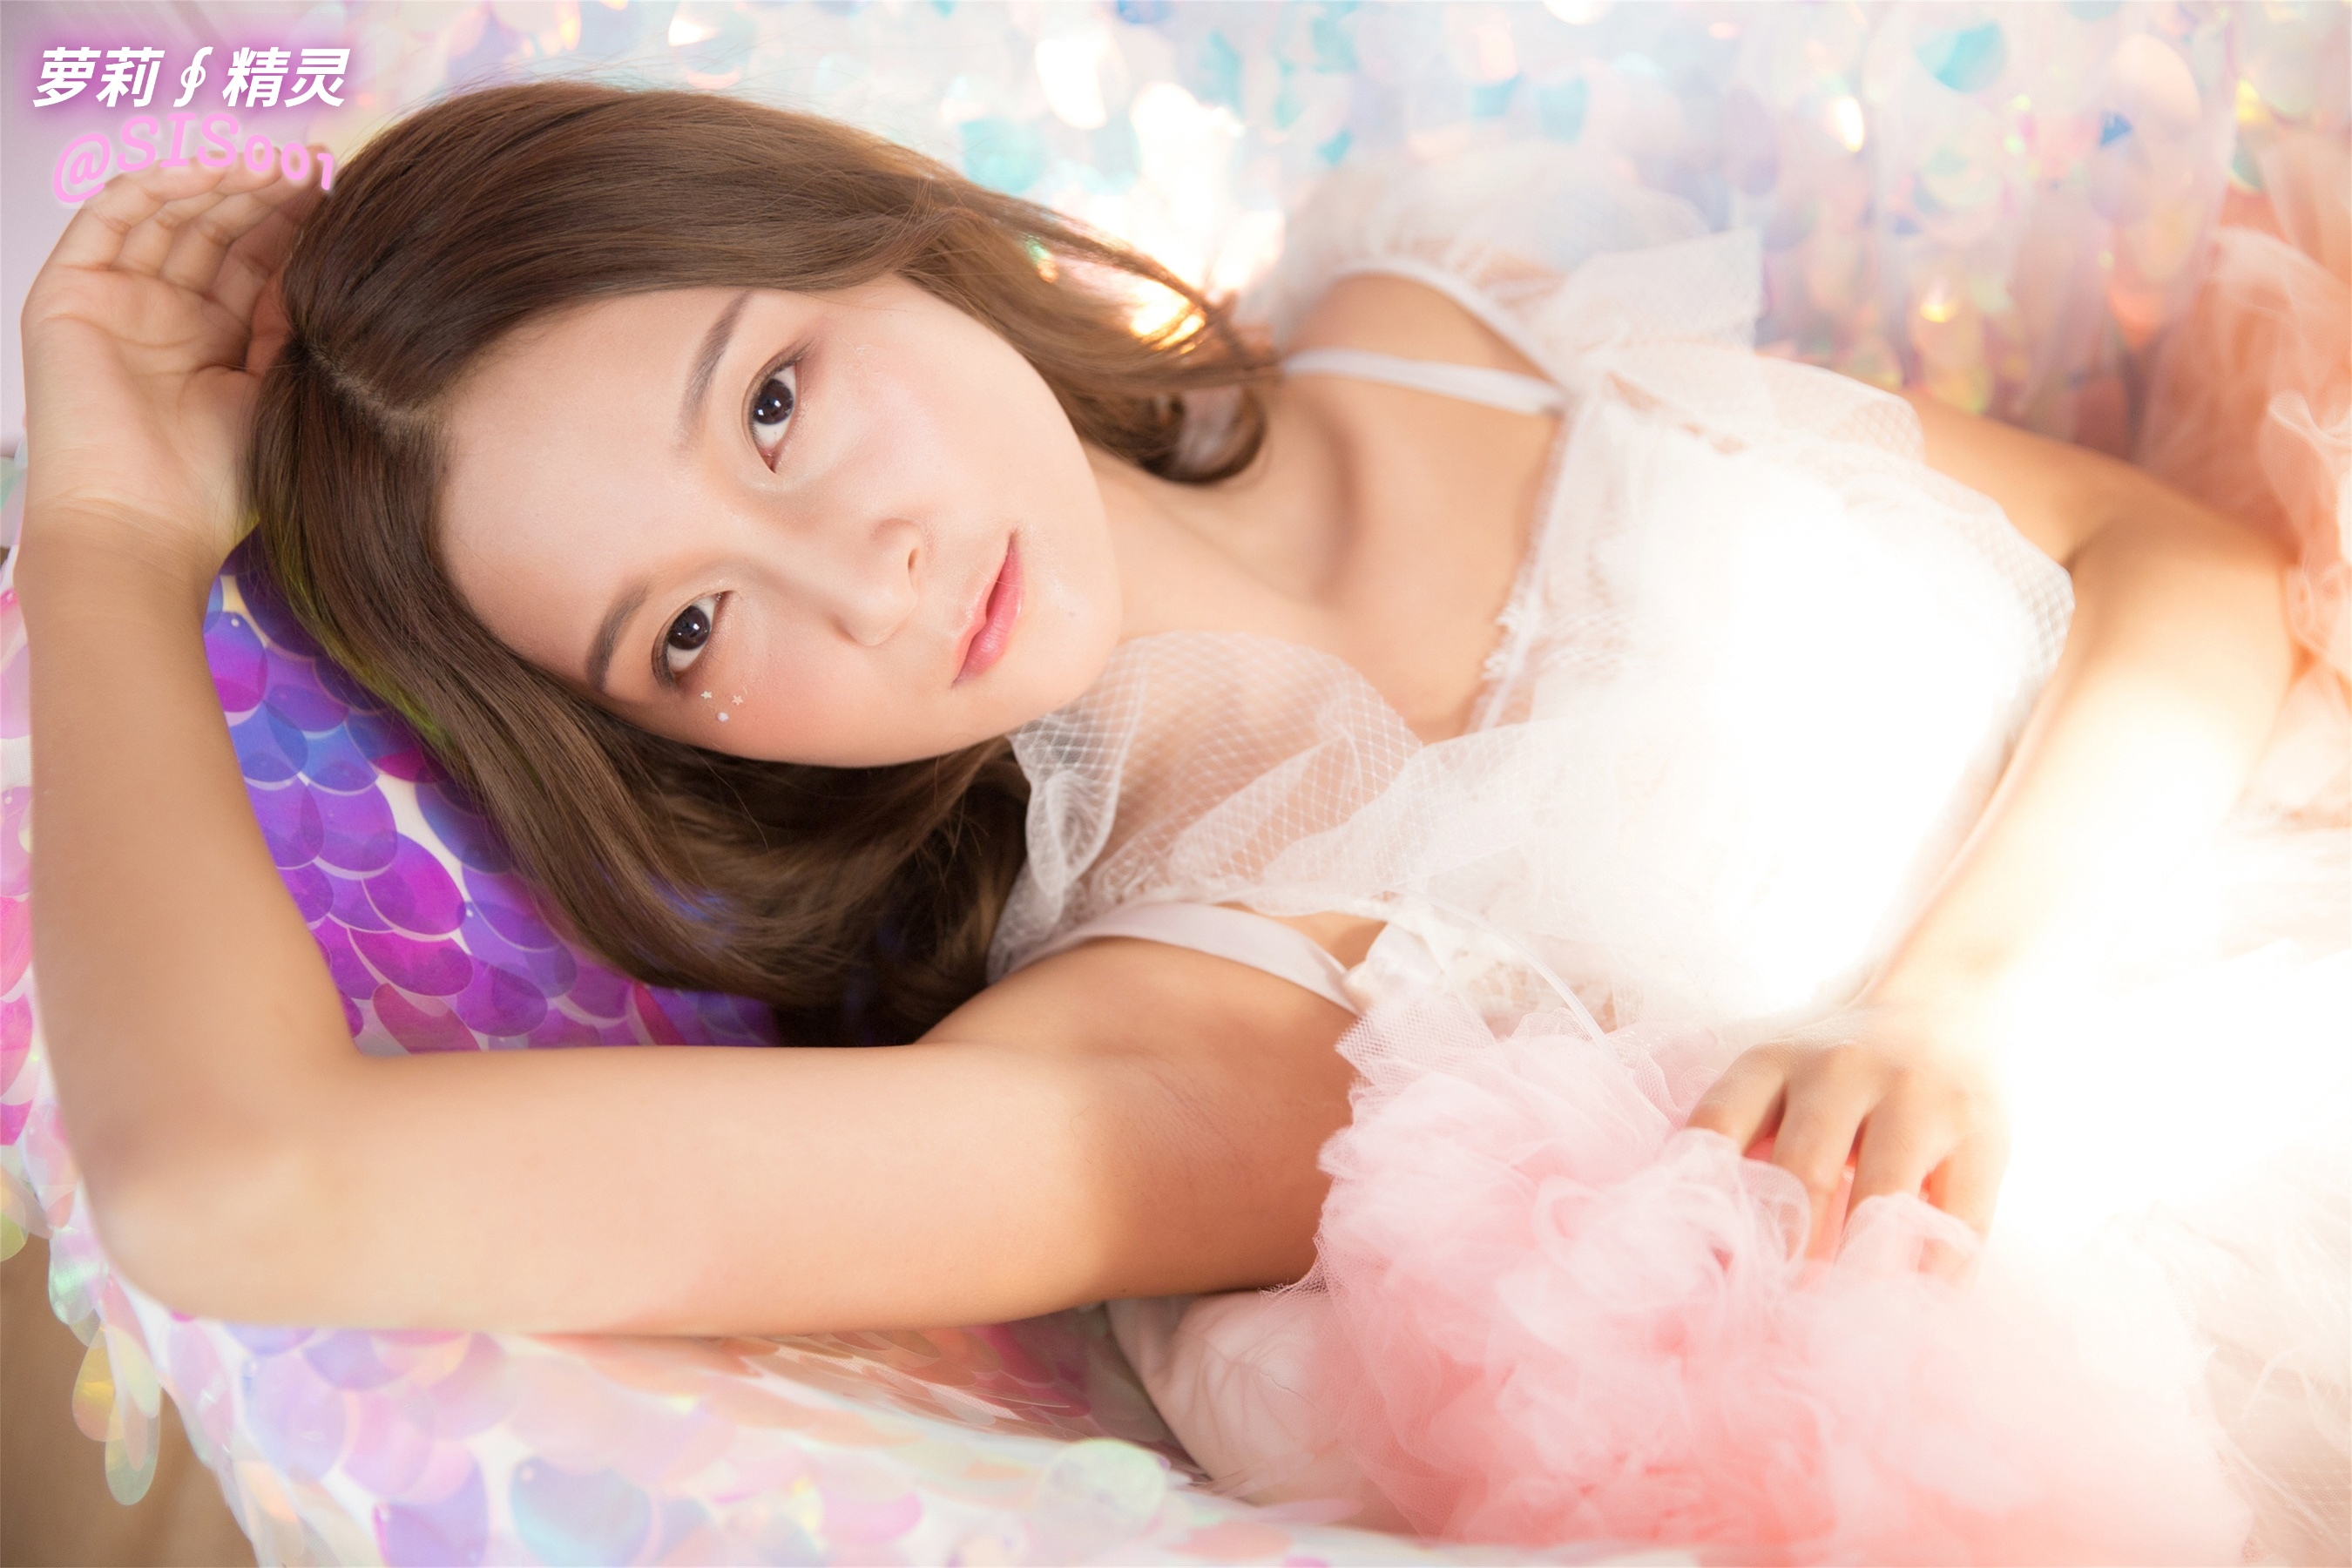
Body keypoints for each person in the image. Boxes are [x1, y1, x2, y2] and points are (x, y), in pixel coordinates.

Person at [14, 82, 2342, 1560]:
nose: (864, 579)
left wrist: (1954, 1005)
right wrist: (106, 539)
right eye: (693, 628)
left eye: (779, 403)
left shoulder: (1440, 323)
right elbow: (240, 1191)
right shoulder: (1177, 1035)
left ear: (878, 240)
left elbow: (2175, 560)